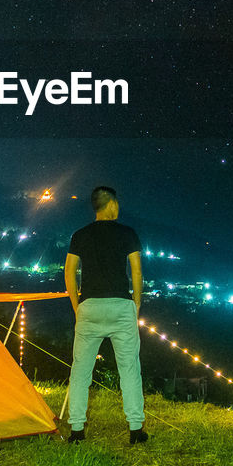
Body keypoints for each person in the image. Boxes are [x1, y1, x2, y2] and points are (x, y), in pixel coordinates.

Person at [64, 185, 147, 444]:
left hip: (89, 307)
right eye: (117, 204)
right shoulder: (128, 233)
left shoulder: (80, 235)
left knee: (80, 370)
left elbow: (69, 272)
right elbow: (136, 272)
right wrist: (136, 304)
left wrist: (78, 307)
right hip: (121, 307)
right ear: (111, 204)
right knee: (130, 369)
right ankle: (135, 429)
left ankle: (77, 430)